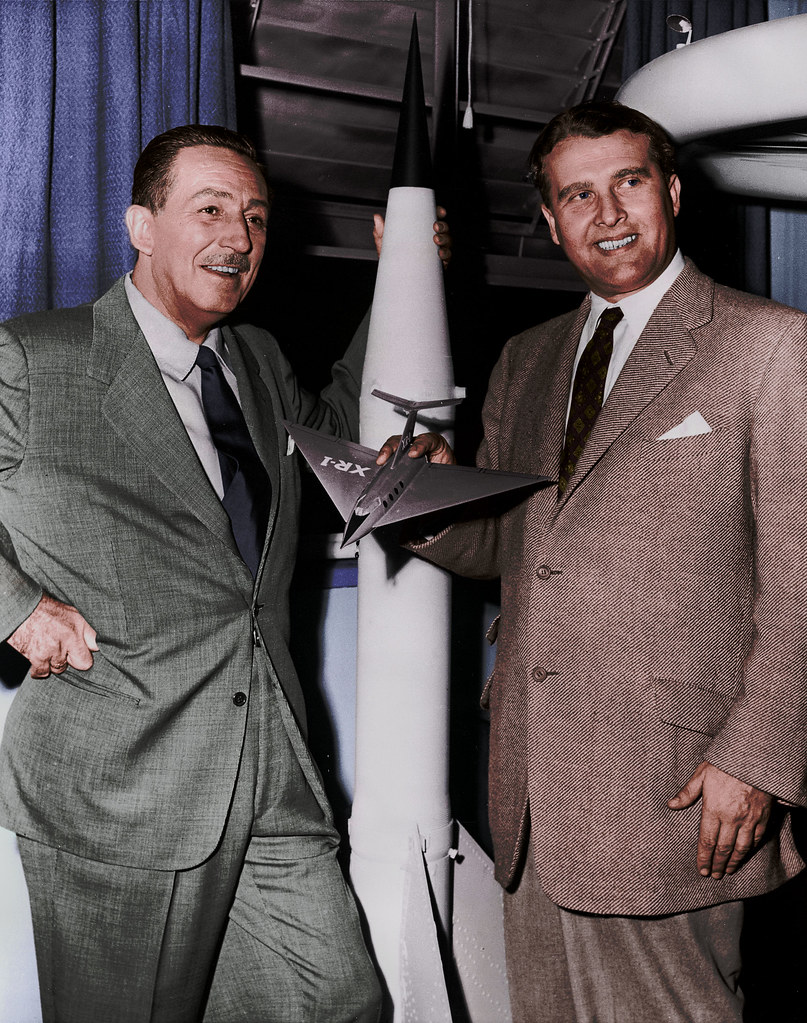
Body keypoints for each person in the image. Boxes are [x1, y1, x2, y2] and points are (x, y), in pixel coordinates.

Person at [0, 123, 448, 1023]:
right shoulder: (33, 357)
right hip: (123, 779)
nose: (238, 236)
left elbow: (338, 436)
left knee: (338, 1000)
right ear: (141, 226)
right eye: (209, 209)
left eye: (255, 216)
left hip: (271, 760)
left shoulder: (257, 360)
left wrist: (402, 279)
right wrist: (16, 607)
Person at [389, 101, 807, 1022]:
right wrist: (421, 502)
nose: (607, 213)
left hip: (674, 789)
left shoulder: (770, 343)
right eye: (577, 195)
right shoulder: (526, 359)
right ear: (550, 222)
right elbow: (516, 546)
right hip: (532, 792)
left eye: (628, 182)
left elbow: (802, 578)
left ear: (672, 191)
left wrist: (758, 758)